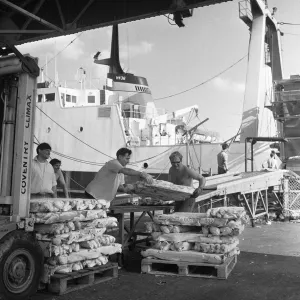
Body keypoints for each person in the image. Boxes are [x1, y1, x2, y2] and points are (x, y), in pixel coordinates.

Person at [85, 148, 153, 206]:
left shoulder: (121, 171)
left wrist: (133, 187)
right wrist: (142, 174)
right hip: (94, 194)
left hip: (104, 199)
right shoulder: (113, 163)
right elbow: (127, 171)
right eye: (127, 159)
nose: (128, 161)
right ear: (120, 157)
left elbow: (120, 187)